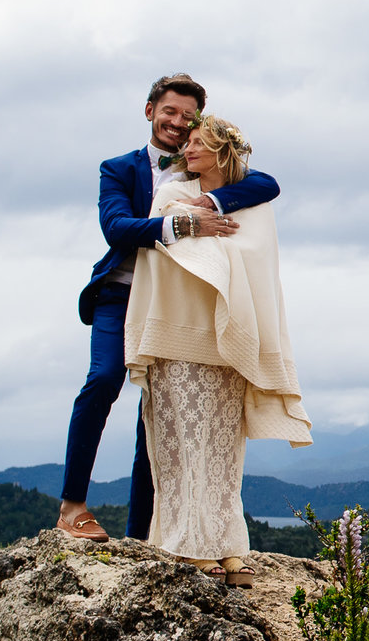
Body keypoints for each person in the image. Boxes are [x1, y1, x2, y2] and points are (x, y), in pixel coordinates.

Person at [56, 74, 280, 543]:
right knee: (102, 379)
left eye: (187, 117)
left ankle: (142, 537)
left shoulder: (203, 168)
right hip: (121, 294)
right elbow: (117, 228)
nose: (177, 123)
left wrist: (213, 199)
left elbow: (267, 183)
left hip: (175, 304)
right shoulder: (118, 168)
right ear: (149, 111)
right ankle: (72, 507)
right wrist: (183, 223)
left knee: (157, 416)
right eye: (169, 112)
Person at [124, 113, 311, 579]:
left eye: (199, 143)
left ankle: (230, 548)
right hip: (178, 334)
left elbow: (255, 256)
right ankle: (189, 546)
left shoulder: (252, 200)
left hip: (228, 340)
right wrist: (193, 223)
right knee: (181, 446)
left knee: (224, 451)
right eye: (186, 143)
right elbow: (171, 252)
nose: (188, 150)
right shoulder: (169, 195)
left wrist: (209, 212)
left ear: (222, 151)